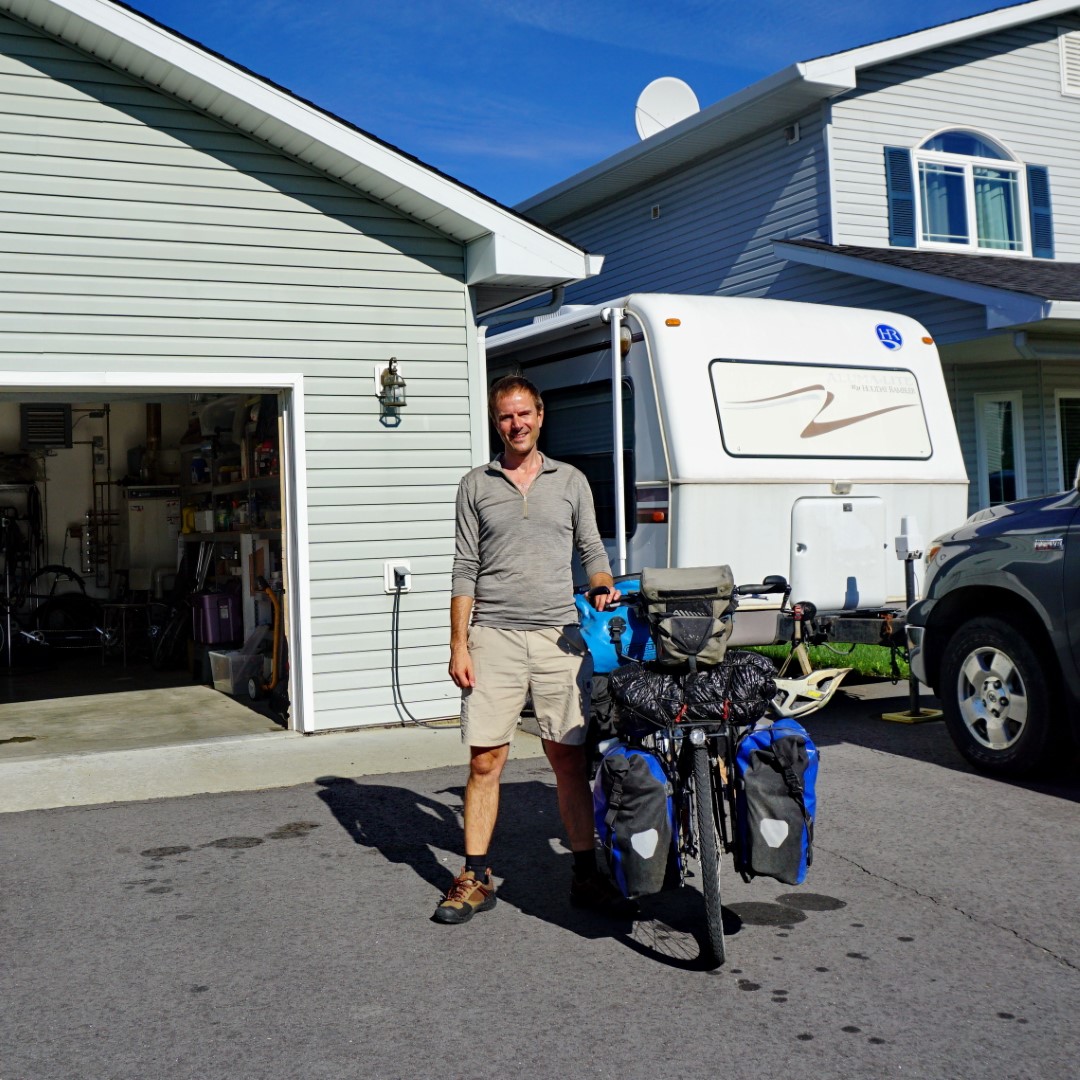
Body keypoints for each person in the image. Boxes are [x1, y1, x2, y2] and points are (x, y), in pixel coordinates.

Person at [435, 375, 635, 924]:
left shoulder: (570, 481)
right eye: (505, 416)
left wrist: (600, 580)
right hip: (493, 635)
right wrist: (459, 643)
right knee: (485, 759)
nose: (516, 424)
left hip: (558, 637)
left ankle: (585, 875)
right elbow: (464, 568)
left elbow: (592, 549)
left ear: (541, 416)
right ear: (496, 422)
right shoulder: (475, 484)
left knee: (567, 757)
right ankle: (475, 877)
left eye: (524, 414)